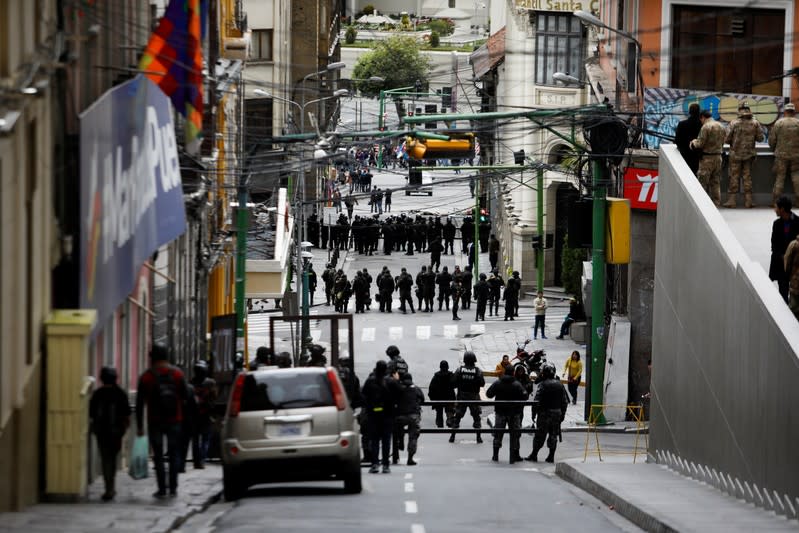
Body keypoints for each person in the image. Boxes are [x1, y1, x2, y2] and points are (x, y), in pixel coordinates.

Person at [135, 343, 189, 498]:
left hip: (155, 421)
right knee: (174, 454)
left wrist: (139, 426)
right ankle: (173, 487)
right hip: (175, 420)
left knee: (158, 456)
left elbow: (139, 404)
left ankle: (161, 489)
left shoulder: (147, 376)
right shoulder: (178, 374)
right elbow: (186, 396)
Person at [89, 366, 131, 501]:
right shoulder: (120, 393)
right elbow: (127, 413)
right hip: (117, 433)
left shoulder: (97, 394)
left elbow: (91, 413)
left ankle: (109, 488)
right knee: (112, 459)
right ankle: (110, 487)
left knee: (106, 459)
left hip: (102, 432)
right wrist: (124, 428)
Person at [361, 360, 401, 474]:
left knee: (374, 440)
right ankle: (385, 465)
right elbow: (401, 393)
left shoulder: (370, 381)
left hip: (373, 415)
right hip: (387, 414)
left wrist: (369, 406)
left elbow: (363, 395)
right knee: (386, 440)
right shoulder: (391, 381)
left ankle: (374, 464)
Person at [525, 363, 569, 463]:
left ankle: (534, 454)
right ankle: (551, 456)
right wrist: (563, 414)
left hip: (544, 413)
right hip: (556, 413)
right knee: (553, 435)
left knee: (540, 435)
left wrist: (533, 413)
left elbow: (536, 401)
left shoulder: (542, 385)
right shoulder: (560, 385)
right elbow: (564, 402)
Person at [724, 102, 764, 208]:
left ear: (739, 110)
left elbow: (727, 139)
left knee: (734, 176)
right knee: (747, 177)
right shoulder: (755, 123)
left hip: (735, 154)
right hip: (749, 155)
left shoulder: (734, 123)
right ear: (748, 109)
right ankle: (748, 201)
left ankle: (732, 201)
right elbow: (761, 138)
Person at [486, 365, 527, 463]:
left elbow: (489, 394)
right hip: (514, 413)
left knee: (498, 433)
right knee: (515, 434)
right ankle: (515, 455)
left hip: (500, 412)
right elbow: (525, 396)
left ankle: (495, 455)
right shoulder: (517, 384)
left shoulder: (498, 383)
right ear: (513, 373)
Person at [690, 109, 726, 206]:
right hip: (718, 157)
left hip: (707, 159)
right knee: (716, 182)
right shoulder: (721, 126)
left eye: (700, 119)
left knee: (703, 182)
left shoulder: (706, 127)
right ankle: (716, 203)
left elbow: (700, 143)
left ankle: (703, 205)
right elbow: (724, 141)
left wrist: (693, 142)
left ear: (703, 117)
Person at [449, 351, 485, 444]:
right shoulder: (477, 371)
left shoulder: (459, 370)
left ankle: (452, 436)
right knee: (476, 417)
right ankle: (478, 437)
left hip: (462, 397)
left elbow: (453, 383)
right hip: (474, 397)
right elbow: (482, 383)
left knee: (457, 417)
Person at [770, 196, 799, 302]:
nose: (775, 210)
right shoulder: (777, 224)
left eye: (776, 207)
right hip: (781, 262)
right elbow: (774, 244)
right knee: (782, 290)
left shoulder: (797, 222)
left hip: (794, 265)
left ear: (782, 209)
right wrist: (782, 257)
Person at [769, 102, 799, 205]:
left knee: (780, 177)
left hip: (781, 155)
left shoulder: (779, 123)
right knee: (797, 176)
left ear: (785, 111)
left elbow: (772, 140)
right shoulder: (798, 123)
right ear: (794, 112)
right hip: (796, 155)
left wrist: (774, 149)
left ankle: (776, 202)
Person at [392, 373, 425, 466]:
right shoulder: (416, 389)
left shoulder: (399, 388)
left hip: (400, 415)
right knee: (413, 437)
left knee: (397, 429)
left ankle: (400, 441)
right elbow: (422, 399)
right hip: (413, 416)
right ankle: (410, 458)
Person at [190, 360, 217, 469]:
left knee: (195, 439)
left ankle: (197, 461)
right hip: (206, 414)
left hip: (194, 415)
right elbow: (214, 397)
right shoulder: (211, 383)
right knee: (205, 439)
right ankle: (201, 460)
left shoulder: (191, 382)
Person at [674, 102, 702, 174]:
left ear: (689, 112)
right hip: (698, 158)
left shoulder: (682, 124)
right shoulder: (702, 125)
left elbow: (677, 140)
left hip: (684, 156)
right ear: (699, 112)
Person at [428, 360, 456, 428]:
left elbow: (431, 388)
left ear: (440, 367)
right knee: (449, 411)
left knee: (439, 412)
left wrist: (432, 399)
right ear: (448, 367)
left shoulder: (436, 376)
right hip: (449, 397)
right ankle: (449, 420)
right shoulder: (451, 375)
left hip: (438, 398)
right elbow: (455, 384)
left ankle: (440, 424)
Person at [783, 231, 799, 318]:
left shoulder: (794, 245)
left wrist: (789, 275)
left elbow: (787, 260)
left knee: (793, 307)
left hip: (795, 281)